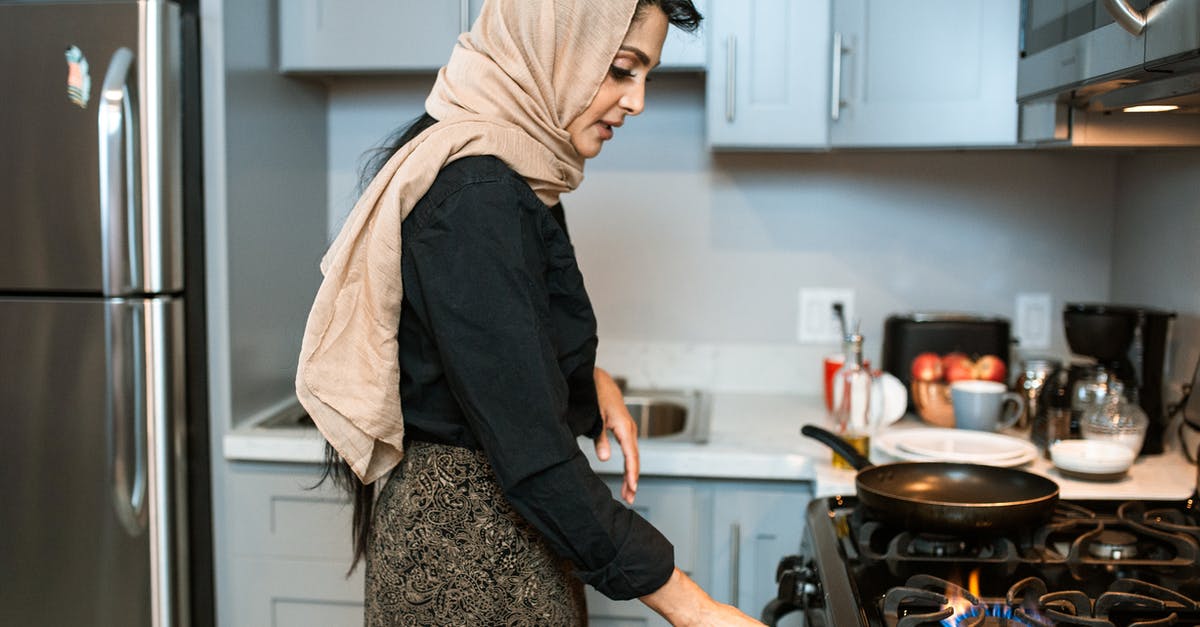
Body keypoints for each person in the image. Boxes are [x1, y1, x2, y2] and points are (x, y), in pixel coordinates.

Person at [296, 0, 764, 624]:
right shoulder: (480, 198)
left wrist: (590, 381)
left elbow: (483, 354)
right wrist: (695, 609)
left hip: (495, 543)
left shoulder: (515, 174)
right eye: (623, 69)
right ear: (553, 50)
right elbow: (533, 453)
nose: (637, 100)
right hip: (470, 563)